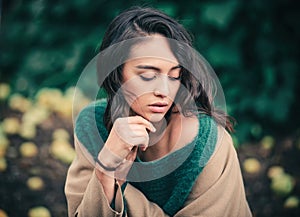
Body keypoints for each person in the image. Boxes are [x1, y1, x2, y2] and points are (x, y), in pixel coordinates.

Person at [65, 6, 252, 217]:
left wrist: (123, 196)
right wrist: (106, 167)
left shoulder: (209, 144)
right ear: (116, 73)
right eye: (147, 76)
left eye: (174, 76)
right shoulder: (93, 126)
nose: (164, 91)